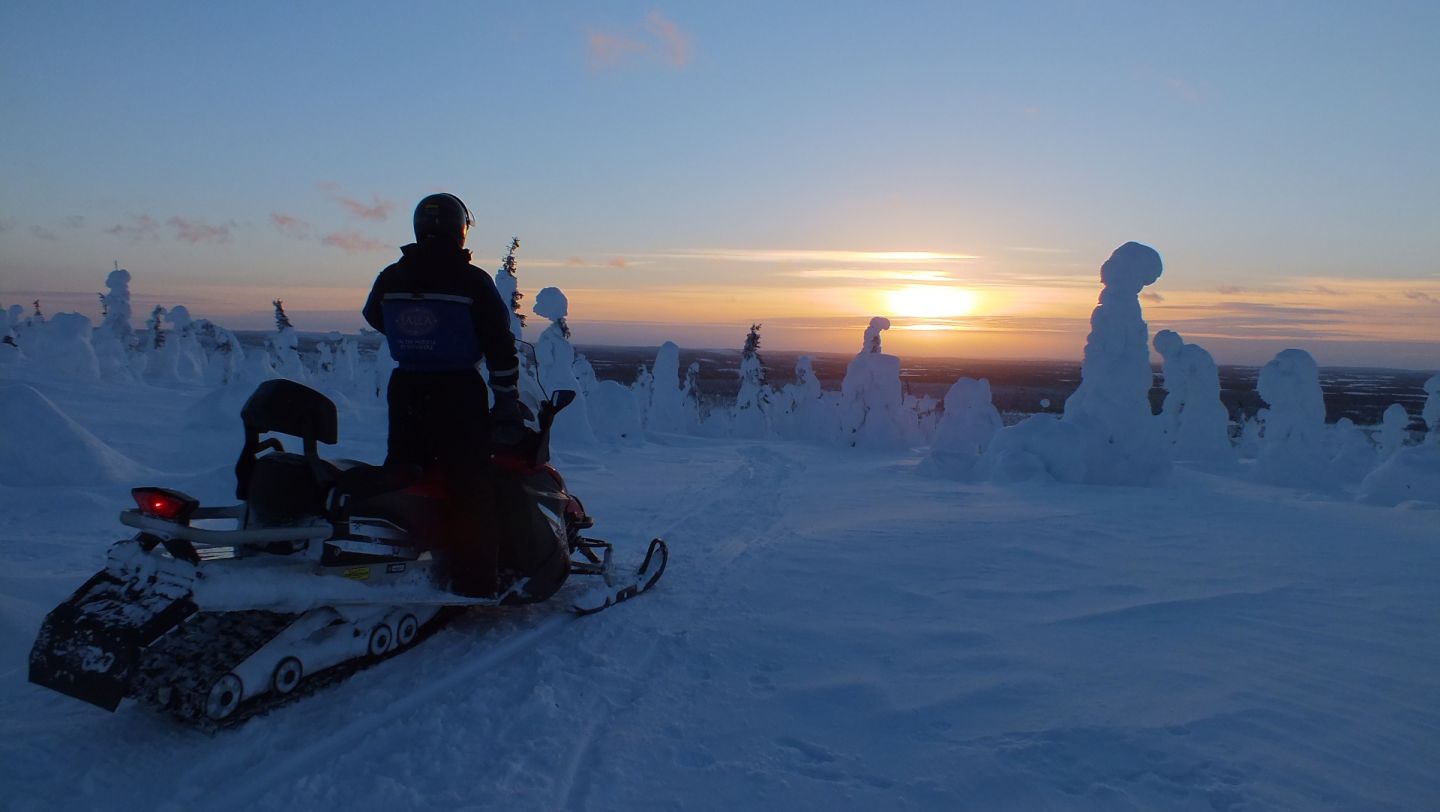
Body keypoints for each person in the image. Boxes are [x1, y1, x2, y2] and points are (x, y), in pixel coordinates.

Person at [362, 192, 524, 596]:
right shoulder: (471, 280)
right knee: (470, 485)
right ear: (460, 230)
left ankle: (396, 562)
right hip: (457, 391)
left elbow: (373, 316)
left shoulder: (392, 276)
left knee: (404, 475)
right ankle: (476, 581)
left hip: (407, 389)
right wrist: (506, 397)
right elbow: (500, 344)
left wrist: (415, 335)